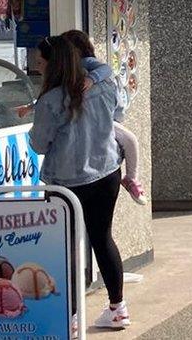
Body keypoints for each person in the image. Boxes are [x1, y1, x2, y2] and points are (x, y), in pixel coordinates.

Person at [28, 36, 131, 330]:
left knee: (67, 246)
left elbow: (39, 144)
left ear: (53, 65)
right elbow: (118, 115)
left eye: (40, 62)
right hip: (107, 171)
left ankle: (71, 319)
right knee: (102, 238)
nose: (37, 66)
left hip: (67, 181)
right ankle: (118, 308)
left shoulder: (50, 100)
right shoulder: (105, 85)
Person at [61, 30, 147, 205]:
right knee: (130, 141)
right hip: (99, 123)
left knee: (130, 140)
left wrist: (92, 79)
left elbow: (105, 69)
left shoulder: (83, 65)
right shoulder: (72, 70)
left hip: (94, 123)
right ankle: (131, 178)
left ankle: (131, 178)